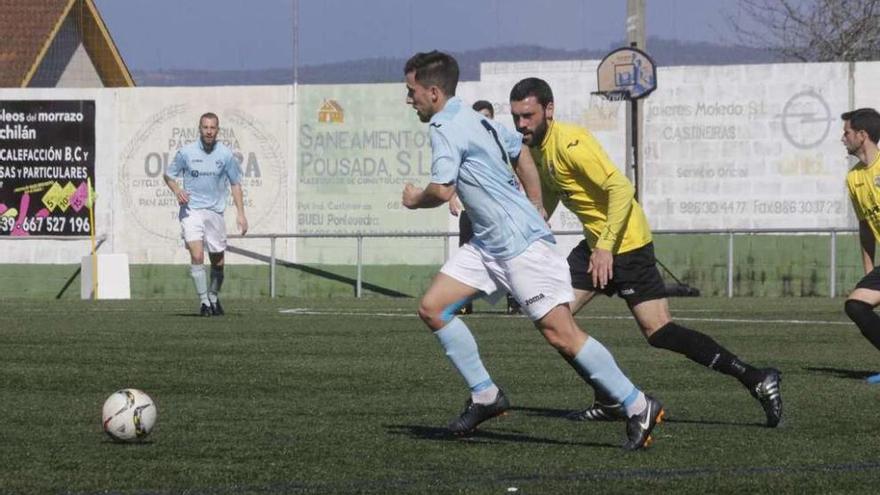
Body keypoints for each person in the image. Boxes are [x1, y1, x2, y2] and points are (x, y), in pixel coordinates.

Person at [401, 50, 663, 451]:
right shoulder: (476, 119)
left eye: (412, 91)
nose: (409, 99)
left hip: (520, 246)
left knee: (561, 334)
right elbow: (520, 151)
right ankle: (486, 395)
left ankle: (637, 403)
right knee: (433, 307)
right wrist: (538, 202)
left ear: (433, 92)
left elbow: (441, 190)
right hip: (490, 243)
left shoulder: (443, 126)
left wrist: (413, 198)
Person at [508, 77, 782, 427]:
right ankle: (610, 399)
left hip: (626, 243)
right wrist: (532, 222)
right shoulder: (536, 149)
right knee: (554, 322)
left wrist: (606, 247)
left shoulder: (572, 144)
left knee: (659, 332)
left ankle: (757, 379)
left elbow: (622, 189)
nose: (521, 125)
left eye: (528, 116)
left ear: (549, 110)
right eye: (516, 117)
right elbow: (551, 195)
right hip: (596, 244)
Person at [163, 112, 248, 317]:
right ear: (199, 129)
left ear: (217, 130)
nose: (208, 131)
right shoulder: (186, 153)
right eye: (205, 127)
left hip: (215, 212)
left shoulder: (226, 155)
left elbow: (235, 184)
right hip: (191, 211)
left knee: (218, 260)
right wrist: (177, 191)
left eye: (212, 128)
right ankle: (203, 302)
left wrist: (241, 214)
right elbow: (169, 175)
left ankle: (213, 296)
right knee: (197, 254)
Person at [449, 99, 521, 315]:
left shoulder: (500, 140)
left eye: (487, 116)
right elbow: (453, 169)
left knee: (508, 255)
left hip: (498, 211)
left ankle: (514, 301)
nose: (483, 120)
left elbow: (516, 165)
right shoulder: (465, 141)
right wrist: (451, 195)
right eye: (479, 116)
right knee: (467, 253)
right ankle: (464, 302)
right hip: (472, 211)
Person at [842, 108, 880, 383]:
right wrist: (869, 272)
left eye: (847, 133)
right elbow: (866, 227)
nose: (843, 138)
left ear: (862, 135)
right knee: (856, 305)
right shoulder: (854, 178)